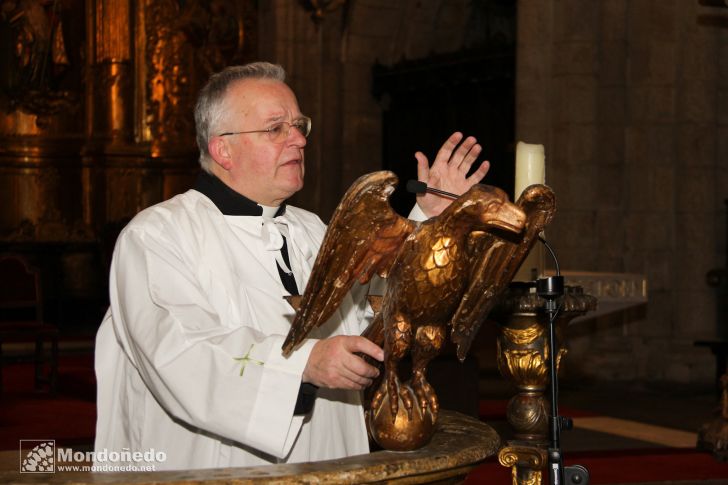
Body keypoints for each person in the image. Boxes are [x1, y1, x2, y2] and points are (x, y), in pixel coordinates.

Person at [94, 62, 491, 470]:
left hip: (331, 460)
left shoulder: (312, 230)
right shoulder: (158, 236)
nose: (299, 139)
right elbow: (182, 353)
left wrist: (430, 222)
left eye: (300, 125)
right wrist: (303, 364)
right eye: (276, 128)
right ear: (222, 149)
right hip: (214, 470)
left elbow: (375, 315)